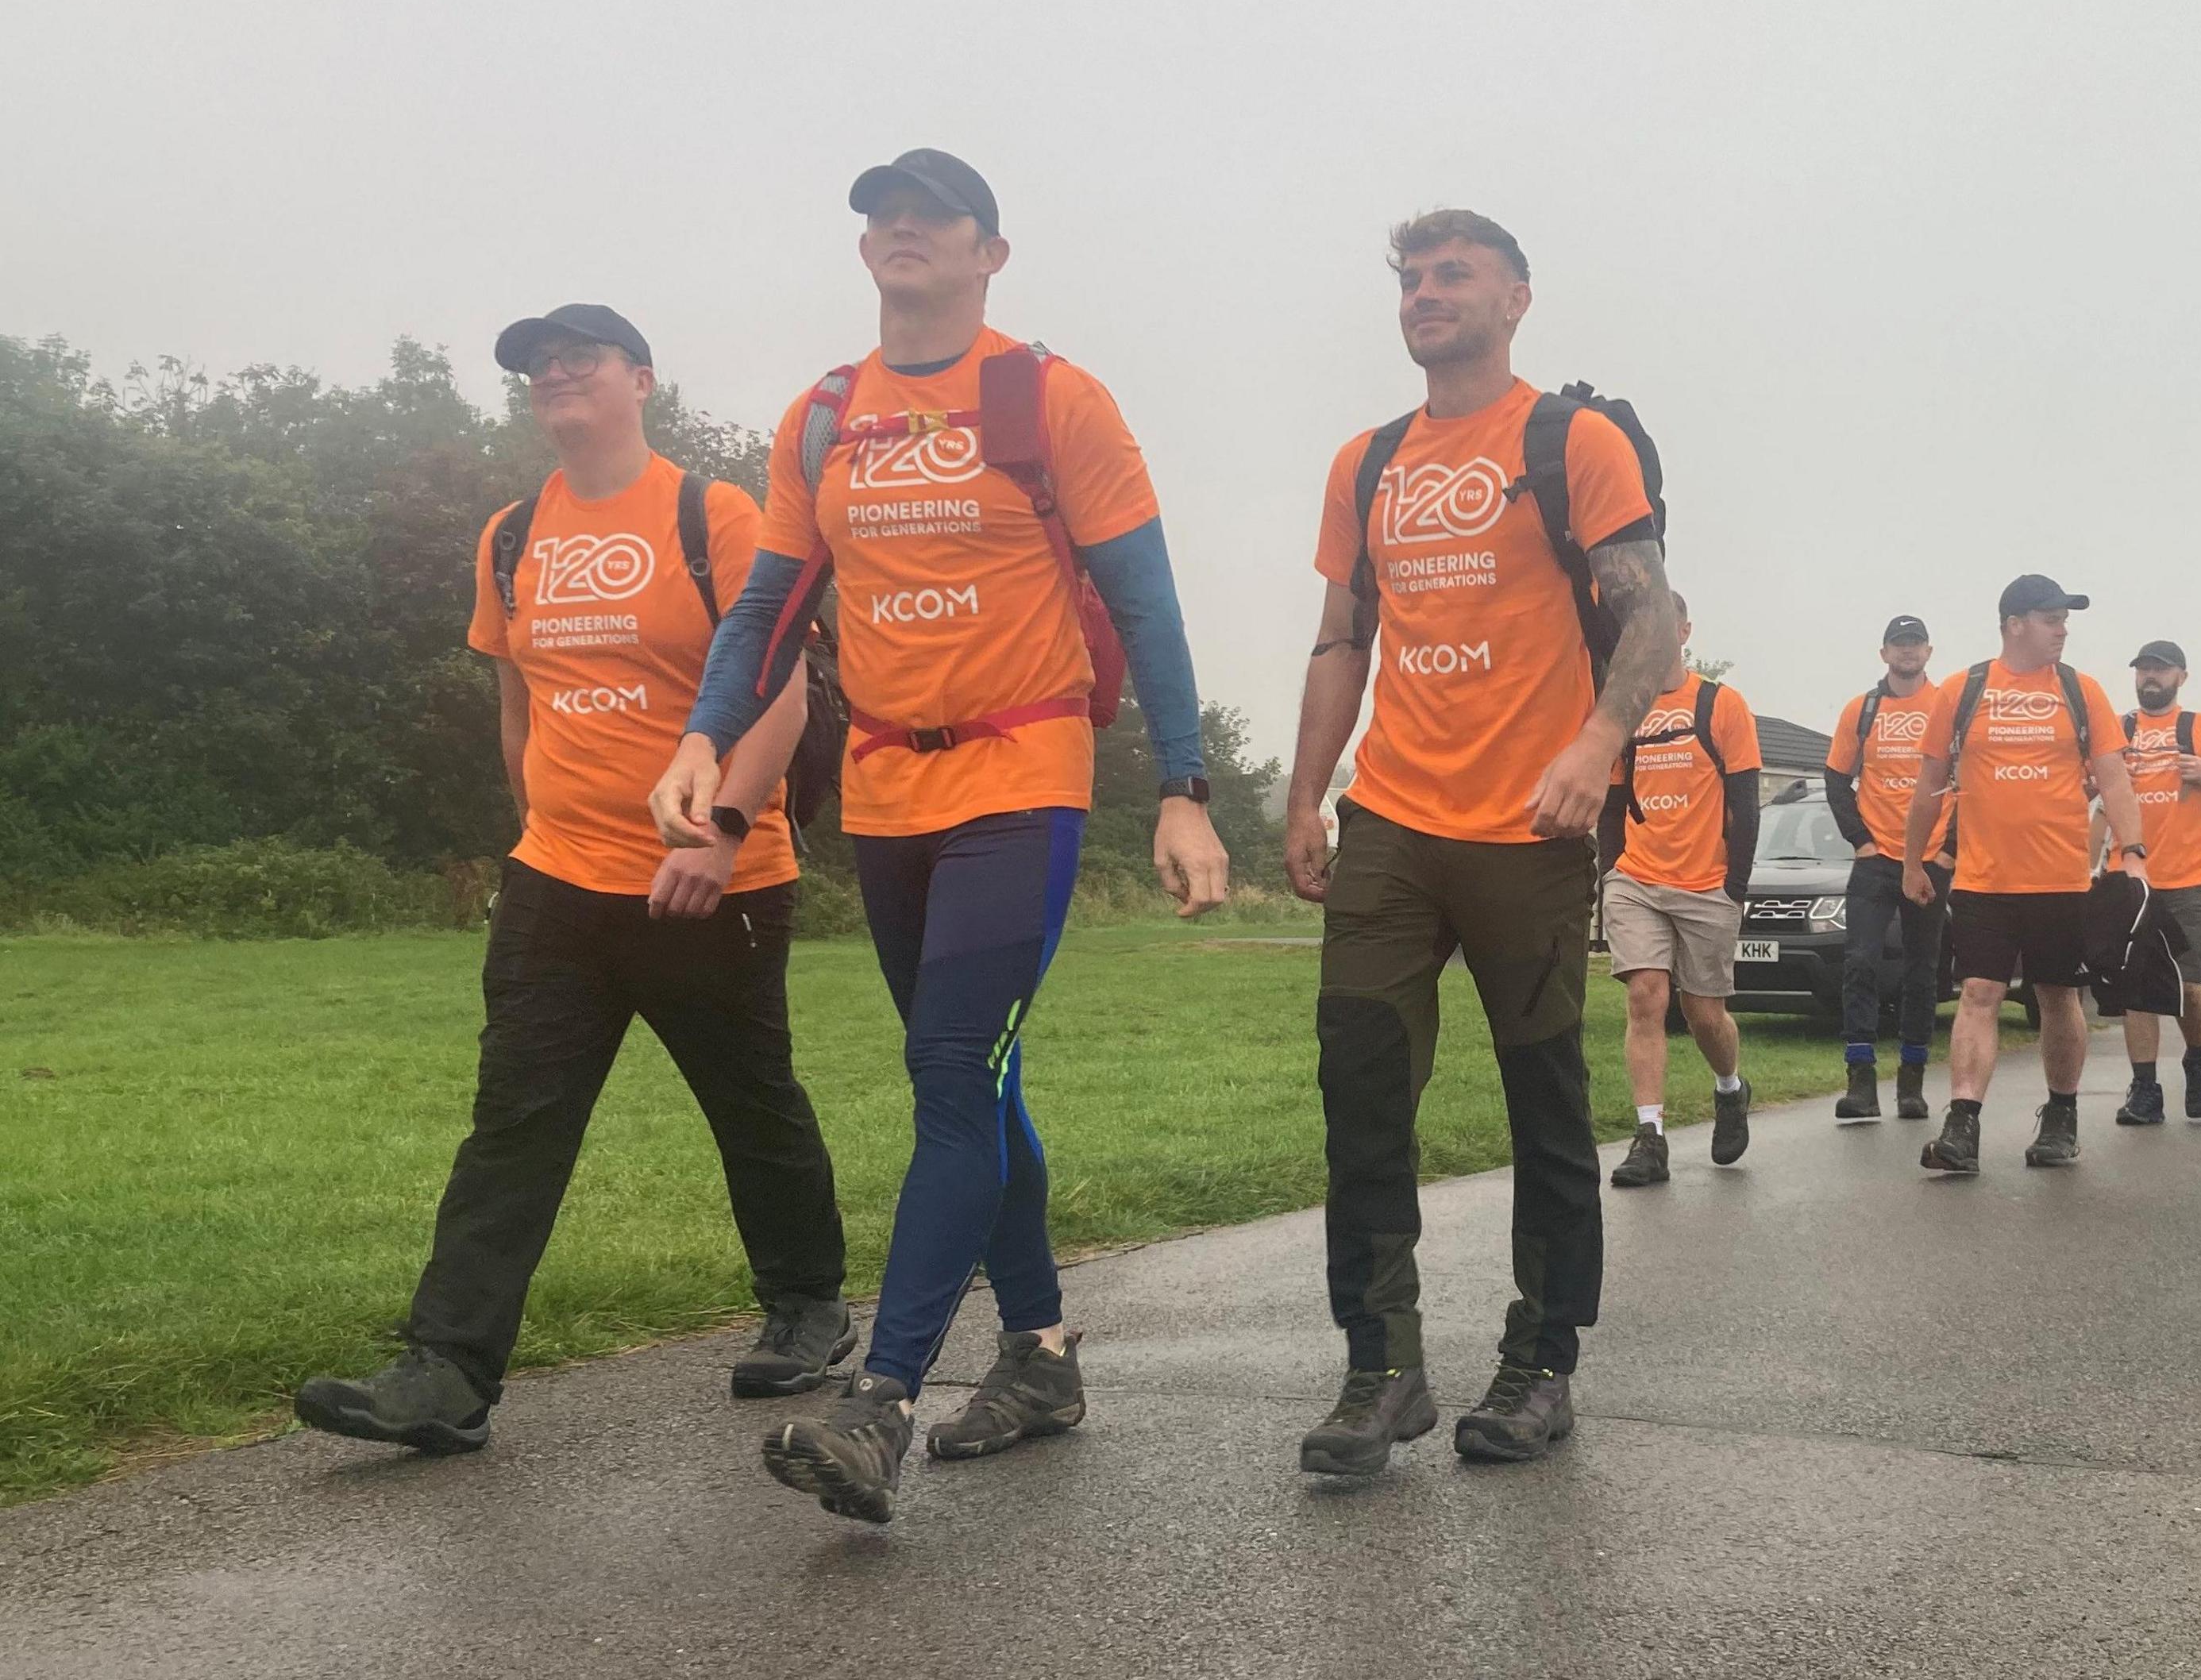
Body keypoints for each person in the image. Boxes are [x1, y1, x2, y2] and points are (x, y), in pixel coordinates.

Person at [653, 150, 1229, 1522]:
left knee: (950, 1065)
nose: (899, 225)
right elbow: (770, 608)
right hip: (885, 792)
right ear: (864, 251)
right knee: (980, 1085)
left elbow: (1146, 603)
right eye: (878, 212)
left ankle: (884, 1399)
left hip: (1023, 777)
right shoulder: (823, 417)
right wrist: (701, 734)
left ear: (990, 252)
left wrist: (1187, 782)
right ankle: (1039, 1355)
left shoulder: (1053, 398)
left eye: (934, 211)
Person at [295, 305, 845, 1455]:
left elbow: (784, 689)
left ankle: (807, 1304)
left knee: (751, 1102)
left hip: (714, 876)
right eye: (538, 362)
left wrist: (721, 834)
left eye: (579, 354)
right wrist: (539, 832)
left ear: (641, 379)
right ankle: (446, 1371)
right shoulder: (509, 533)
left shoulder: (716, 513)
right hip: (558, 883)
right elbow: (519, 704)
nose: (554, 371)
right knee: (513, 1124)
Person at [1284, 209, 1676, 1475]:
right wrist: (1304, 794)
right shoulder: (1366, 460)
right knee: (1361, 1089)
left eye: (1452, 274)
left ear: (1516, 297)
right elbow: (1344, 638)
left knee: (1542, 1097)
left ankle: (1542, 1358)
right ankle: (1379, 1364)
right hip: (1392, 816)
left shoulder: (1575, 441)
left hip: (1531, 820)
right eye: (1410, 277)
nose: (1424, 292)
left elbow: (1654, 615)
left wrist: (1596, 746)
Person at [1896, 575, 2143, 1174]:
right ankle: (1962, 1126)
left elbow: (2113, 778)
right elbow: (1929, 786)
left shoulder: (2081, 691)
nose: (2062, 629)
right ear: (2014, 624)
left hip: (2062, 880)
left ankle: (2060, 1117)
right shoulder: (1964, 689)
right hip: (1984, 880)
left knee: (2057, 996)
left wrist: (2132, 851)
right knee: (1979, 993)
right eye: (2050, 618)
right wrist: (1912, 861)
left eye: (2065, 619)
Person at [1598, 595, 1763, 1186]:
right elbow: (1613, 804)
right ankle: (1650, 1136)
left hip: (1705, 884)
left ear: (1686, 630)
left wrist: (1732, 887)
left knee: (1704, 1013)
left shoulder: (1721, 704)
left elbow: (1745, 802)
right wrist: (1611, 873)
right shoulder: (1623, 711)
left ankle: (1729, 1087)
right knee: (1646, 995)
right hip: (1637, 879)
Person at [2103, 640, 2201, 1126]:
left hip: (2189, 877)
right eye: (2143, 670)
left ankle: (2199, 1059)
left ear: (2181, 675)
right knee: (2134, 986)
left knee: (2189, 984)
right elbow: (2091, 793)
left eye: (2160, 670)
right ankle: (2145, 1089)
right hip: (2129, 874)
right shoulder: (2115, 730)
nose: (2150, 679)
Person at [1823, 615, 1956, 1120]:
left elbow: (1969, 783)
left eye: (1915, 643)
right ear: (1884, 654)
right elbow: (1836, 780)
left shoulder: (1947, 707)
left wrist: (1949, 851)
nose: (1907, 652)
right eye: (1898, 644)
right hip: (1876, 861)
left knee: (1923, 970)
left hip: (1930, 860)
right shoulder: (1863, 710)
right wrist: (1860, 841)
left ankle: (1911, 1085)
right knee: (1859, 961)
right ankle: (1860, 1084)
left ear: (1928, 650)